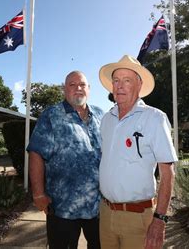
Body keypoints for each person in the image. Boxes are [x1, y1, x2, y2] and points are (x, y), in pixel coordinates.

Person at [98, 55, 177, 248]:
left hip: (138, 218)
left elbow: (167, 174)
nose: (120, 86)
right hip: (106, 214)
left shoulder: (154, 118)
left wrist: (159, 220)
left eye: (127, 81)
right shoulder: (106, 120)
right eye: (116, 81)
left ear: (139, 86)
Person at [27, 71, 103, 248]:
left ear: (89, 89)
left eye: (82, 85)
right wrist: (38, 194)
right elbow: (36, 153)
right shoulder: (51, 115)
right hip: (63, 208)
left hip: (99, 207)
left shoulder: (101, 115)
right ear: (64, 89)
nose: (78, 88)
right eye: (72, 84)